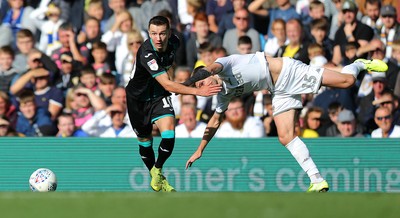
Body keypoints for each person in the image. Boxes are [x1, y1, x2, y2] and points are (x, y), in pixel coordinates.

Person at [183, 50, 388, 192]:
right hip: (278, 90)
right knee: (285, 136)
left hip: (290, 72)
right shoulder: (223, 94)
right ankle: (317, 180)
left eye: (203, 84)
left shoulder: (224, 64)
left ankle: (359, 64)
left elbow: (207, 70)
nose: (204, 89)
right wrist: (201, 149)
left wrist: (187, 84)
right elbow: (214, 121)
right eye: (200, 88)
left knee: (347, 81)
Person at [125, 16, 221, 193]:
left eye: (162, 33)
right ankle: (157, 177)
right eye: (153, 34)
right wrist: (197, 91)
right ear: (149, 33)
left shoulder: (175, 42)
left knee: (169, 133)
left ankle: (158, 169)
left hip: (159, 95)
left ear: (169, 33)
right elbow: (168, 84)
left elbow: (169, 75)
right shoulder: (147, 53)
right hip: (137, 100)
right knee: (145, 142)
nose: (158, 38)